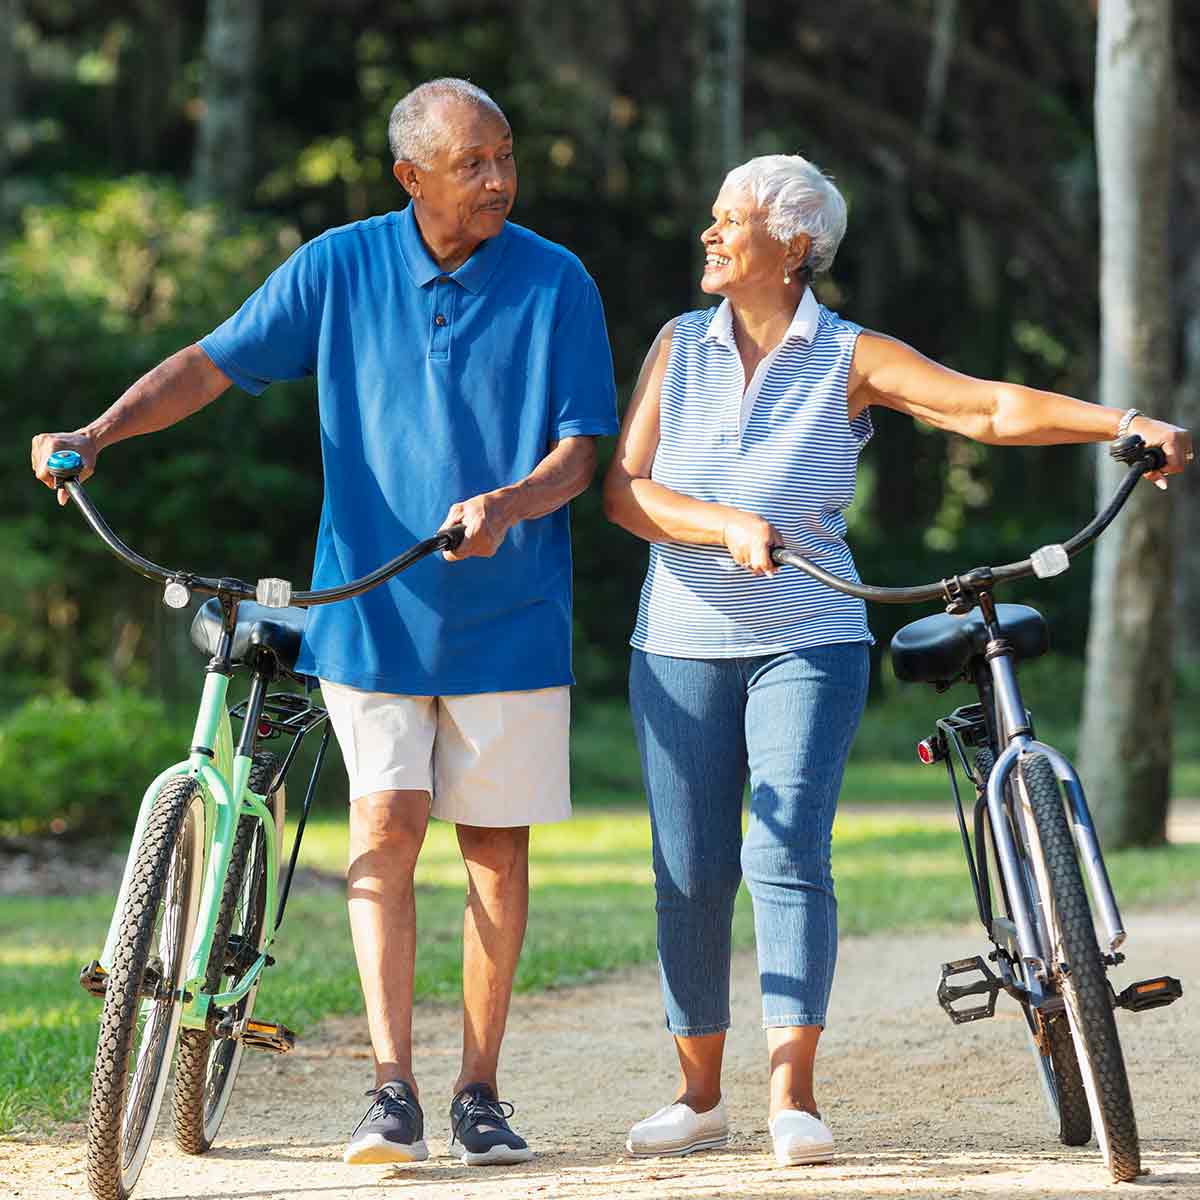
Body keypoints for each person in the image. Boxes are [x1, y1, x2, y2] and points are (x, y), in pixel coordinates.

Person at [32, 77, 617, 1167]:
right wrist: (100, 433)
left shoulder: (557, 280)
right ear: (411, 177)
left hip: (513, 617)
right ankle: (391, 1089)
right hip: (368, 612)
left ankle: (479, 1092)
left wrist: (510, 503)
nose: (499, 179)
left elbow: (582, 451)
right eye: (474, 163)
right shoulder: (338, 266)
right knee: (384, 829)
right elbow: (210, 362)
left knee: (495, 852)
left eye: (505, 155)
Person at [602, 153, 1192, 1168]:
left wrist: (1123, 424)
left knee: (785, 854)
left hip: (808, 639)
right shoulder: (677, 344)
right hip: (679, 643)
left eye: (730, 219)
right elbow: (625, 493)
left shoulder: (848, 354)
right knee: (689, 872)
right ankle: (698, 1099)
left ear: (794, 245)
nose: (709, 233)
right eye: (714, 217)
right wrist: (720, 523)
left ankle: (792, 1098)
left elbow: (984, 408)